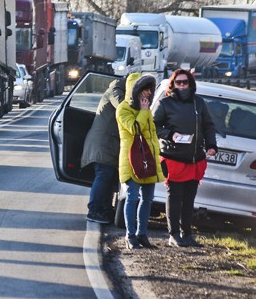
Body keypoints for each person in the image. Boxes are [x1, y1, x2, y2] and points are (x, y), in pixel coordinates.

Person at [153, 69, 217, 248]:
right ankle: (173, 235)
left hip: (195, 158)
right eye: (178, 82)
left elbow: (208, 126)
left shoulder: (199, 102)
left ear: (190, 84)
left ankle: (187, 234)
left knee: (189, 199)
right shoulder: (165, 103)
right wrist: (170, 134)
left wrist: (211, 145)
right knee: (174, 197)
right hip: (173, 157)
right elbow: (153, 125)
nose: (182, 85)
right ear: (173, 84)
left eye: (185, 82)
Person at [116, 72, 164, 250]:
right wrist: (143, 112)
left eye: (150, 90)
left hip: (148, 161)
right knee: (132, 197)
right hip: (132, 161)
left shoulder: (146, 108)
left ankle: (142, 234)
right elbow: (135, 129)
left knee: (148, 199)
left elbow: (151, 135)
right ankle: (130, 236)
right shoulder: (123, 109)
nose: (149, 93)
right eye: (145, 90)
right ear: (134, 90)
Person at [81, 76, 127, 224]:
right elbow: (122, 107)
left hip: (107, 143)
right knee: (103, 174)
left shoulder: (118, 89)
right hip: (103, 143)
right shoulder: (115, 90)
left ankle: (104, 210)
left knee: (107, 176)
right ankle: (94, 210)